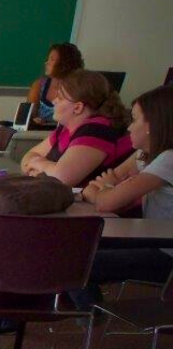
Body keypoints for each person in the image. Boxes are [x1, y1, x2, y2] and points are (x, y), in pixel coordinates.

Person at [73, 85, 173, 309]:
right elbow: (100, 186)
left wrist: (105, 189)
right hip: (153, 239)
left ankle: (91, 318)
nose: (128, 127)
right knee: (74, 244)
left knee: (75, 262)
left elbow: (107, 201)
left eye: (134, 120)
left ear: (153, 125)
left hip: (167, 252)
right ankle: (89, 314)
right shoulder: (145, 155)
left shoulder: (169, 160)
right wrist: (105, 189)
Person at [21, 69, 133, 187]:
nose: (54, 101)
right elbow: (28, 157)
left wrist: (39, 163)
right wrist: (44, 169)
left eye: (60, 97)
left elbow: (61, 178)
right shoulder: (65, 128)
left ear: (77, 107)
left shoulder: (96, 130)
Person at [27, 42, 85, 126]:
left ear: (64, 63)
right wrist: (33, 120)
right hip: (40, 132)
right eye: (48, 59)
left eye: (52, 59)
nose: (46, 63)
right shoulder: (39, 85)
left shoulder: (80, 87)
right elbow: (29, 116)